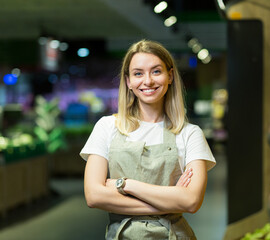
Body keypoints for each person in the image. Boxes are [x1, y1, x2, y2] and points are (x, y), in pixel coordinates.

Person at [80, 39, 216, 240]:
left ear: (170, 76)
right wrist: (169, 201)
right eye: (138, 73)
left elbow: (191, 201)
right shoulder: (107, 127)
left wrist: (125, 184)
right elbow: (94, 196)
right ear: (128, 81)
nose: (148, 81)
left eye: (156, 71)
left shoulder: (190, 134)